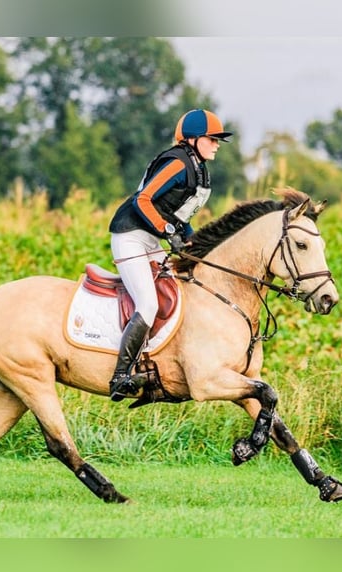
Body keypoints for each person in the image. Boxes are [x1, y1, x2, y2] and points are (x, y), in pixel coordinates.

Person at [106, 108, 232, 401]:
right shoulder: (177, 163)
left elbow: (181, 216)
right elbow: (144, 200)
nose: (216, 144)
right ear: (192, 139)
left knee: (181, 292)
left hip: (152, 238)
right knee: (148, 304)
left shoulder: (200, 169)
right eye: (212, 139)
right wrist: (167, 230)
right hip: (131, 237)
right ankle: (120, 375)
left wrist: (194, 244)